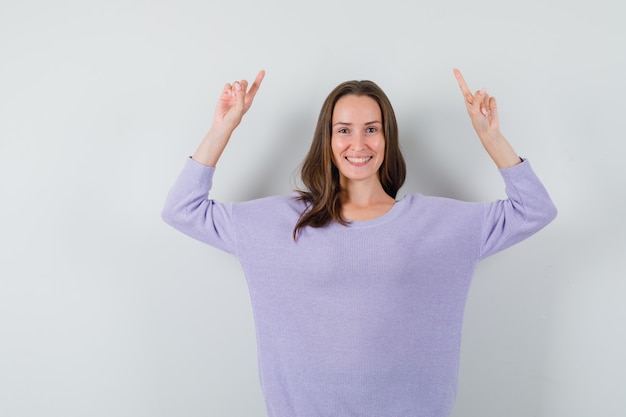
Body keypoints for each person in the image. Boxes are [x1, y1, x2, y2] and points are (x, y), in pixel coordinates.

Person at [162, 69, 557, 417]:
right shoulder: (283, 222)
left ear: (387, 137)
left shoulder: (435, 223)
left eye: (371, 128)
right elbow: (182, 209)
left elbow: (534, 210)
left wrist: (491, 138)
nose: (359, 143)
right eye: (344, 130)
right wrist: (222, 128)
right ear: (327, 139)